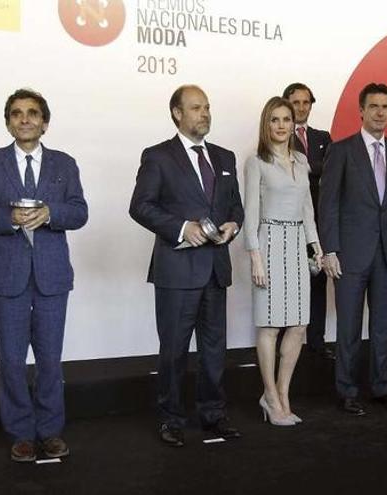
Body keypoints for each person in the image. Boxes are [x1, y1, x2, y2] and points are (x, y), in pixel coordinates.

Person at [0, 88, 88, 462]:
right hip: (8, 276)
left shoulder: (64, 164)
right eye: (17, 113)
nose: (25, 119)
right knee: (11, 358)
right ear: (8, 122)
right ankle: (20, 432)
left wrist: (50, 213)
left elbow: (80, 212)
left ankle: (50, 431)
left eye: (32, 113)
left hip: (53, 275)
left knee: (51, 359)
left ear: (45, 123)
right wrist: (9, 218)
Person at [129, 85, 244, 447]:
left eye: (207, 107)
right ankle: (171, 419)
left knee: (214, 351)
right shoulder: (158, 156)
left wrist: (233, 225)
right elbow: (140, 206)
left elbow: (235, 207)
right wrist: (181, 228)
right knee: (174, 351)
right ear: (177, 114)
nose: (204, 114)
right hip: (176, 271)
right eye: (196, 108)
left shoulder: (225, 158)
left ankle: (213, 415)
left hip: (215, 270)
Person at [319, 83, 387, 416]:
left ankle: (382, 387)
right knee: (348, 327)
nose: (380, 112)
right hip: (350, 255)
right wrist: (330, 249)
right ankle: (347, 391)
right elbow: (327, 204)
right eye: (373, 106)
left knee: (382, 326)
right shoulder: (342, 150)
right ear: (360, 110)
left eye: (385, 106)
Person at [243, 97, 322, 426]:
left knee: (299, 324)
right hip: (270, 242)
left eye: (286, 119)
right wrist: (255, 258)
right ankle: (270, 395)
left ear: (294, 123)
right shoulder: (255, 162)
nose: (280, 125)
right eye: (274, 119)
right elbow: (250, 213)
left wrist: (315, 246)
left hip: (296, 246)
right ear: (266, 124)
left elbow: (307, 208)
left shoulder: (302, 161)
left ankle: (283, 393)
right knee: (270, 325)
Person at [283, 82, 334, 360]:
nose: (301, 108)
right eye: (296, 102)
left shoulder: (323, 136)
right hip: (289, 223)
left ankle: (316, 343)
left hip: (319, 223)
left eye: (306, 102)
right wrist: (316, 169)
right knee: (288, 286)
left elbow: (334, 173)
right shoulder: (277, 135)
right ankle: (285, 346)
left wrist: (308, 169)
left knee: (317, 285)